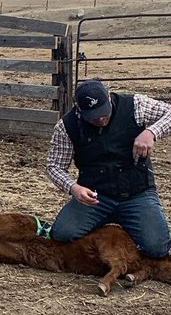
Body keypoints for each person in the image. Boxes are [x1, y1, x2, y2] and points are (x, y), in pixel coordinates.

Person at [46, 78, 171, 259]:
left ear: (109, 98)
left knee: (158, 247)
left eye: (104, 111)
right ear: (79, 110)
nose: (101, 118)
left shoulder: (135, 105)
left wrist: (152, 132)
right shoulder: (67, 126)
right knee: (62, 234)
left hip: (137, 193)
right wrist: (74, 188)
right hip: (96, 197)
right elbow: (54, 166)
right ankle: (109, 231)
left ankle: (132, 225)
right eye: (94, 116)